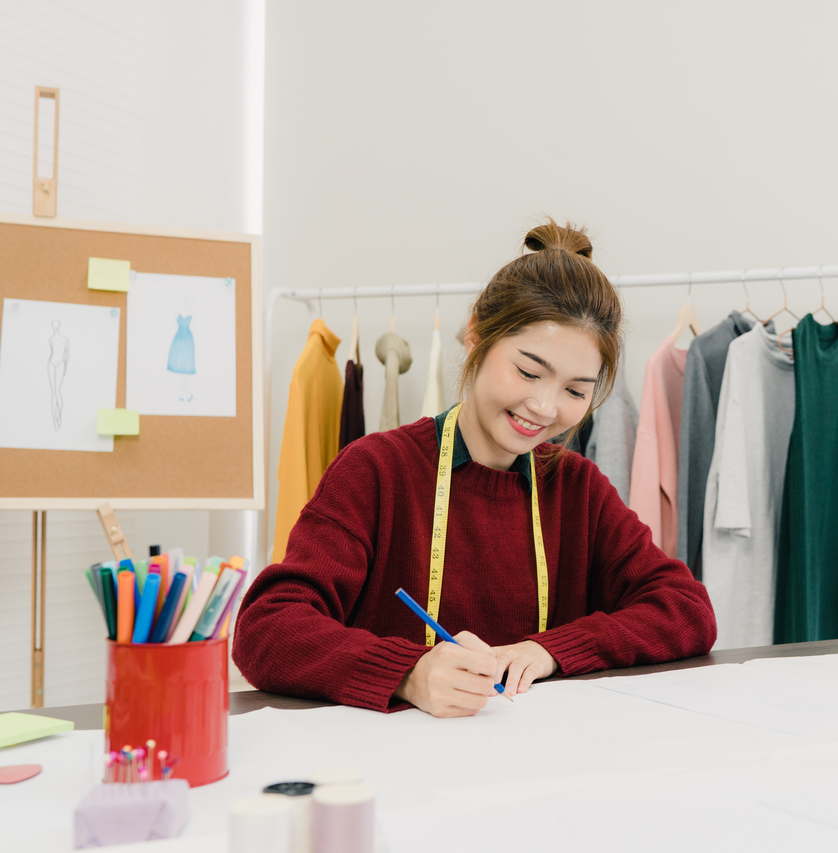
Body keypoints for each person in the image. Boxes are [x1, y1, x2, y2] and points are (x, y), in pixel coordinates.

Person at [234, 220, 716, 718]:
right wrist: (406, 673)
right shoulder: (377, 470)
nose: (546, 407)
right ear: (475, 337)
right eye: (528, 372)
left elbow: (686, 610)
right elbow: (267, 627)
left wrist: (551, 649)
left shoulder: (579, 488)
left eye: (576, 390)